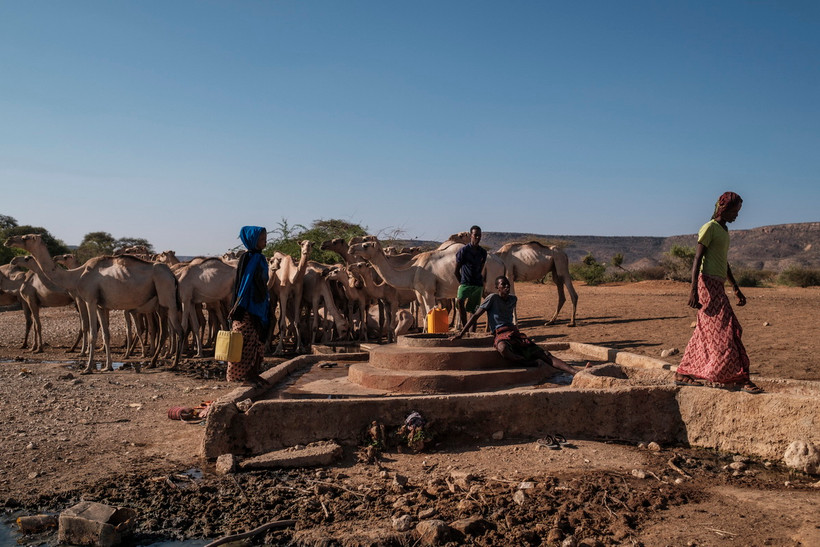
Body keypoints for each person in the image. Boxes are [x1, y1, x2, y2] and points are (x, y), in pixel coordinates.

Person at [674, 192, 763, 394]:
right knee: (726, 331)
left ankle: (682, 372)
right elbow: (697, 259)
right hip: (706, 286)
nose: (737, 216)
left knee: (706, 331)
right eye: (734, 211)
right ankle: (737, 378)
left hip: (718, 285)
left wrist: (735, 287)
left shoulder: (723, 230)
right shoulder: (710, 228)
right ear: (724, 209)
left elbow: (724, 261)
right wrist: (693, 291)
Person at [453, 275, 579, 376]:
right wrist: (461, 333)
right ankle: (525, 362)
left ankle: (575, 372)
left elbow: (510, 320)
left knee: (544, 354)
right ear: (497, 287)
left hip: (514, 332)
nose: (507, 286)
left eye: (508, 284)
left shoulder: (513, 299)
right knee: (502, 348)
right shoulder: (492, 298)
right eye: (503, 284)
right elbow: (475, 316)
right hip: (500, 333)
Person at [227, 226, 270, 386]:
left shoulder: (260, 257)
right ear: (252, 240)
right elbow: (245, 283)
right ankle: (245, 376)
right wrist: (238, 305)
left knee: (258, 340)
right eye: (261, 238)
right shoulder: (251, 258)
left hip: (260, 304)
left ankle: (254, 373)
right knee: (245, 342)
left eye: (265, 238)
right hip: (248, 306)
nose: (265, 241)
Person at [454, 225, 487, 331]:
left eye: (479, 235)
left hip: (477, 284)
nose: (477, 237)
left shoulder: (483, 252)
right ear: (470, 235)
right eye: (475, 235)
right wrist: (462, 282)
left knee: (474, 311)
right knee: (460, 302)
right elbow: (456, 270)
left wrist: (480, 280)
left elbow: (481, 268)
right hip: (465, 283)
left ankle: (472, 333)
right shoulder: (463, 251)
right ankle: (465, 329)